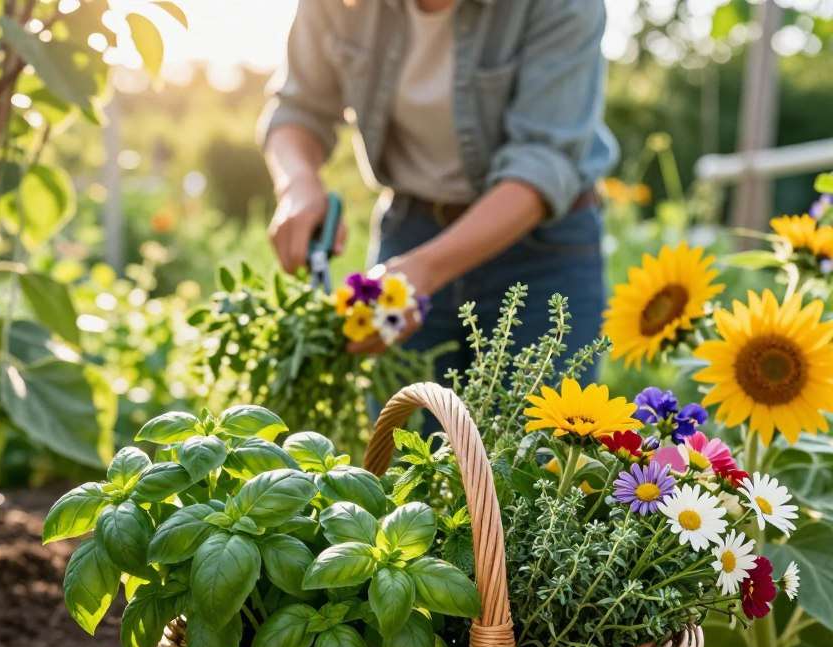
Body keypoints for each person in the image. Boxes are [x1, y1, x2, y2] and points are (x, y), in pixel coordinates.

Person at [259, 0, 617, 383]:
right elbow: (298, 110)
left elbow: (543, 163)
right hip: (411, 229)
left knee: (537, 438)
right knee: (404, 435)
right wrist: (299, 184)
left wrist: (425, 270)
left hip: (541, 251)